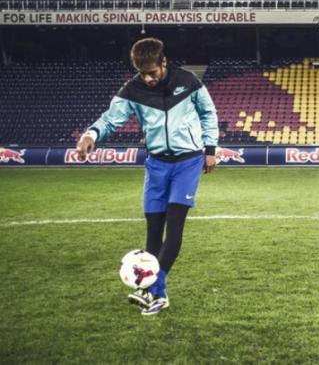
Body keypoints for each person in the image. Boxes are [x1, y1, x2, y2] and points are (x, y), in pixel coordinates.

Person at [76, 37, 219, 315]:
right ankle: (159, 295)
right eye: (143, 73)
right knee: (153, 232)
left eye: (152, 72)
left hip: (187, 162)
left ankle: (152, 287)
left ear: (164, 62)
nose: (149, 78)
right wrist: (90, 134)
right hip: (156, 165)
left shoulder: (188, 81)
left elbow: (208, 113)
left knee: (174, 225)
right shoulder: (132, 90)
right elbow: (110, 118)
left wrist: (210, 148)